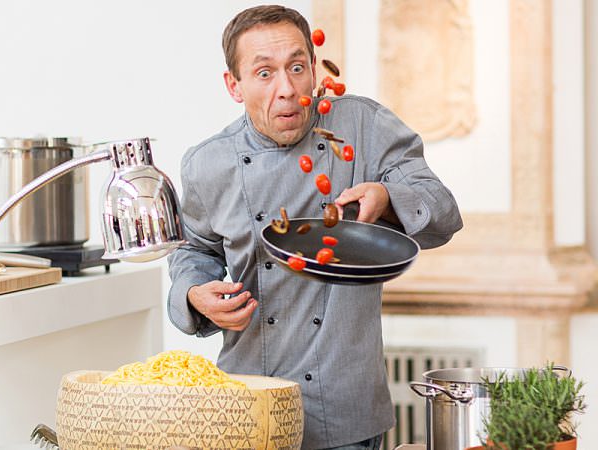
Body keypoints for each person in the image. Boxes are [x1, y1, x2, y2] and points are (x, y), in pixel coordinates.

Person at [167, 5, 463, 450]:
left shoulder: (362, 127)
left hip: (346, 410)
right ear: (234, 85)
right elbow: (194, 250)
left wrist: (387, 201)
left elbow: (443, 212)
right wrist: (194, 294)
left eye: (297, 68)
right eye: (264, 73)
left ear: (315, 67)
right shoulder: (209, 163)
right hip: (245, 407)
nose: (287, 90)